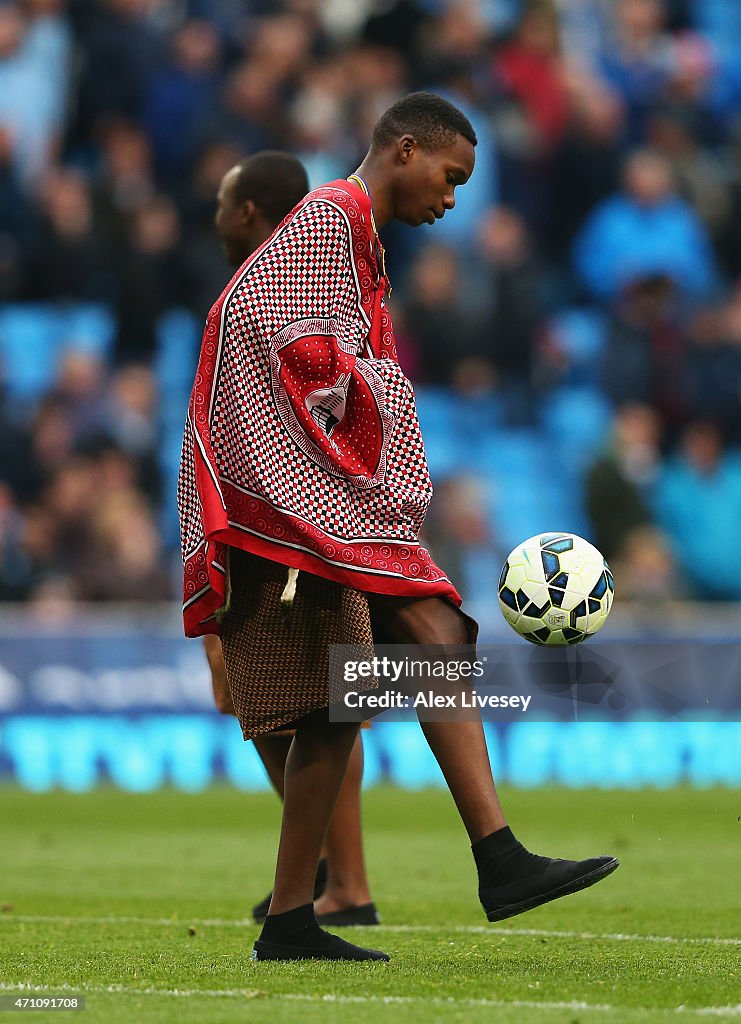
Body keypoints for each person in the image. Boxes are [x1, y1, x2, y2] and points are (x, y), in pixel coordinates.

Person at [179, 93, 619, 964]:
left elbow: (300, 337)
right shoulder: (328, 216)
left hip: (306, 489)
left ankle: (296, 920)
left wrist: (359, 388)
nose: (452, 199)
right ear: (405, 150)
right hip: (299, 492)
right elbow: (255, 323)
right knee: (430, 623)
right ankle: (497, 858)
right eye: (450, 177)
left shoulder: (356, 239)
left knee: (341, 704)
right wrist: (350, 414)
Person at [205, 150, 379, 927]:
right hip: (286, 526)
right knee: (289, 699)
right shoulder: (297, 284)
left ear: (249, 213)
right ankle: (324, 870)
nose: (213, 215)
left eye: (221, 202)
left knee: (313, 700)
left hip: (285, 530)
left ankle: (343, 881)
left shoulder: (276, 293)